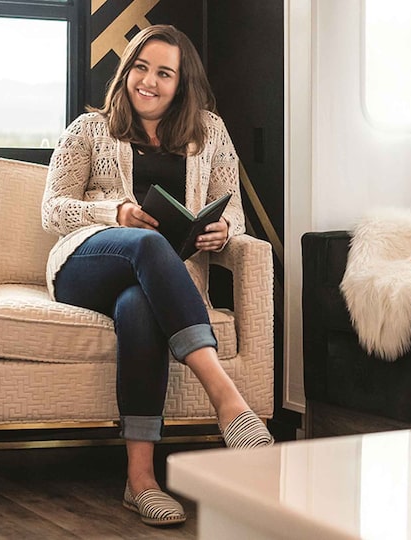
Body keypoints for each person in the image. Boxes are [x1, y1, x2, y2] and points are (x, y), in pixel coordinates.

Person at [41, 24, 272, 527]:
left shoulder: (210, 132)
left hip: (153, 282)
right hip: (85, 265)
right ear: (126, 71)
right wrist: (116, 214)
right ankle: (226, 398)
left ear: (181, 82)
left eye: (163, 72)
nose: (148, 80)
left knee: (140, 308)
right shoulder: (89, 129)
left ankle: (140, 480)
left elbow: (233, 211)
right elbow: (52, 210)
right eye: (140, 68)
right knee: (146, 240)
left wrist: (222, 232)